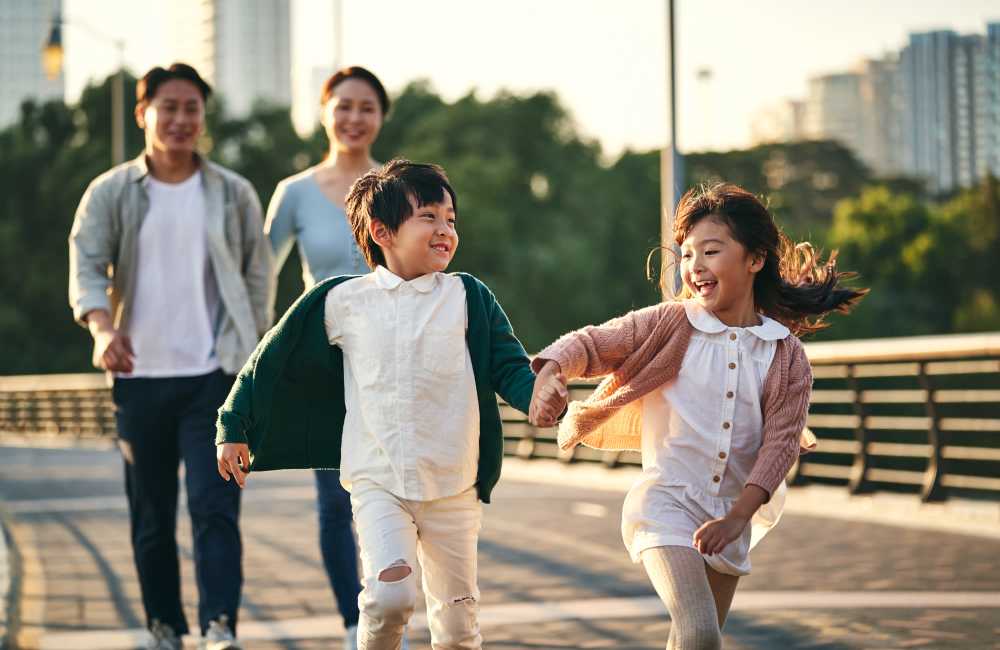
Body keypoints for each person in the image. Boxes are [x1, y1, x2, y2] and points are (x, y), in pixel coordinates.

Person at [216, 159, 567, 650]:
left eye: (451, 219)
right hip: (378, 481)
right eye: (429, 217)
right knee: (388, 599)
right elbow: (269, 359)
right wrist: (234, 424)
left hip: (453, 484)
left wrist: (539, 399)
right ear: (382, 231)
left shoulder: (469, 297)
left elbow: (508, 366)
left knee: (458, 624)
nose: (445, 230)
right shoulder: (341, 301)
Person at [528, 183, 866, 649]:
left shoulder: (786, 356)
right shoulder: (671, 324)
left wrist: (739, 518)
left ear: (754, 259)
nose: (694, 267)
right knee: (701, 633)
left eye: (710, 251)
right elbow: (592, 342)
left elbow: (780, 445)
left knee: (690, 641)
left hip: (733, 512)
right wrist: (550, 371)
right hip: (666, 502)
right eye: (686, 255)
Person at [68, 63, 274, 650]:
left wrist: (252, 362)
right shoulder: (110, 192)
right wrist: (102, 329)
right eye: (170, 107)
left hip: (215, 377)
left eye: (192, 109)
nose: (182, 119)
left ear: (203, 118)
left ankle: (219, 626)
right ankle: (164, 625)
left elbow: (259, 278)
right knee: (152, 516)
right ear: (144, 114)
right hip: (139, 378)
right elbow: (85, 263)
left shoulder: (232, 192)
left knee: (215, 509)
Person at [265, 65, 389, 649]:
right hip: (322, 362)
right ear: (323, 112)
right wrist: (268, 358)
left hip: (393, 357)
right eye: (343, 105)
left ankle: (394, 612)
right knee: (333, 503)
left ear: (381, 116)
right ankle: (353, 622)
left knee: (397, 492)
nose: (354, 117)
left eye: (366, 107)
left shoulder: (399, 185)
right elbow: (260, 278)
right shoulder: (293, 193)